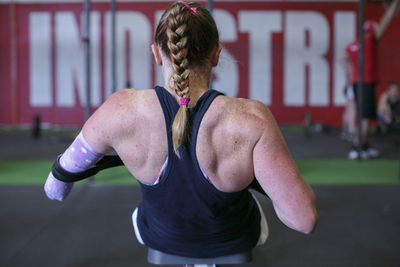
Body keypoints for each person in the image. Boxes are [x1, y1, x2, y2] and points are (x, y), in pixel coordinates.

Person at [44, 1, 317, 259]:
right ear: (216, 54)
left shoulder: (119, 110)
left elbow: (55, 186)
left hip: (159, 238)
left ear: (157, 55)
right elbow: (303, 220)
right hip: (236, 238)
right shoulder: (251, 119)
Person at [344, 0, 400, 159]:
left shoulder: (355, 44)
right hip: (365, 82)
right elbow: (386, 22)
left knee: (362, 115)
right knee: (365, 118)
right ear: (371, 31)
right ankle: (357, 148)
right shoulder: (369, 40)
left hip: (357, 82)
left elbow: (343, 57)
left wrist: (352, 69)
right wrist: (395, 3)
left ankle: (364, 146)